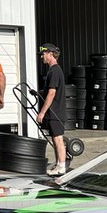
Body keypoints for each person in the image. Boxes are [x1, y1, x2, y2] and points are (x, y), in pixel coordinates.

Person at [37, 43, 67, 175]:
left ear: (50, 54)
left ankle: (62, 166)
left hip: (56, 111)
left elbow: (52, 93)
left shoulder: (55, 71)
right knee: (55, 138)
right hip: (53, 111)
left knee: (58, 138)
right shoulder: (51, 71)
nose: (42, 57)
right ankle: (58, 164)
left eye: (43, 54)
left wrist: (42, 112)